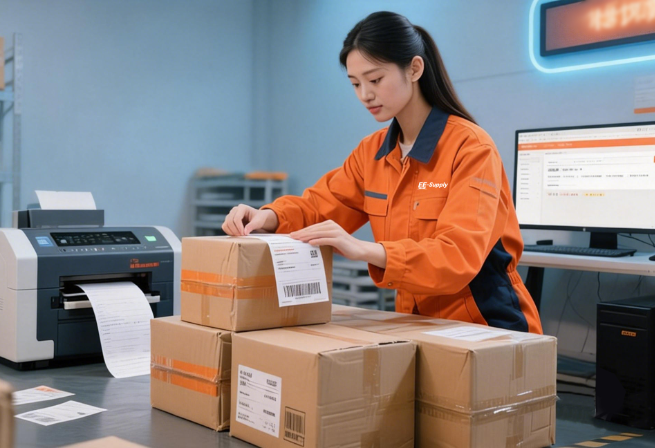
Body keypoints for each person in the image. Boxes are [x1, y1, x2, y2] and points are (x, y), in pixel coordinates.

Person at [221, 11, 542, 334]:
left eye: (375, 80)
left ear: (415, 69)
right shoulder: (371, 153)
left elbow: (458, 255)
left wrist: (365, 250)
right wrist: (267, 216)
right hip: (416, 323)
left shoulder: (471, 147)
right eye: (355, 84)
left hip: (488, 322)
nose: (365, 95)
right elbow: (318, 206)